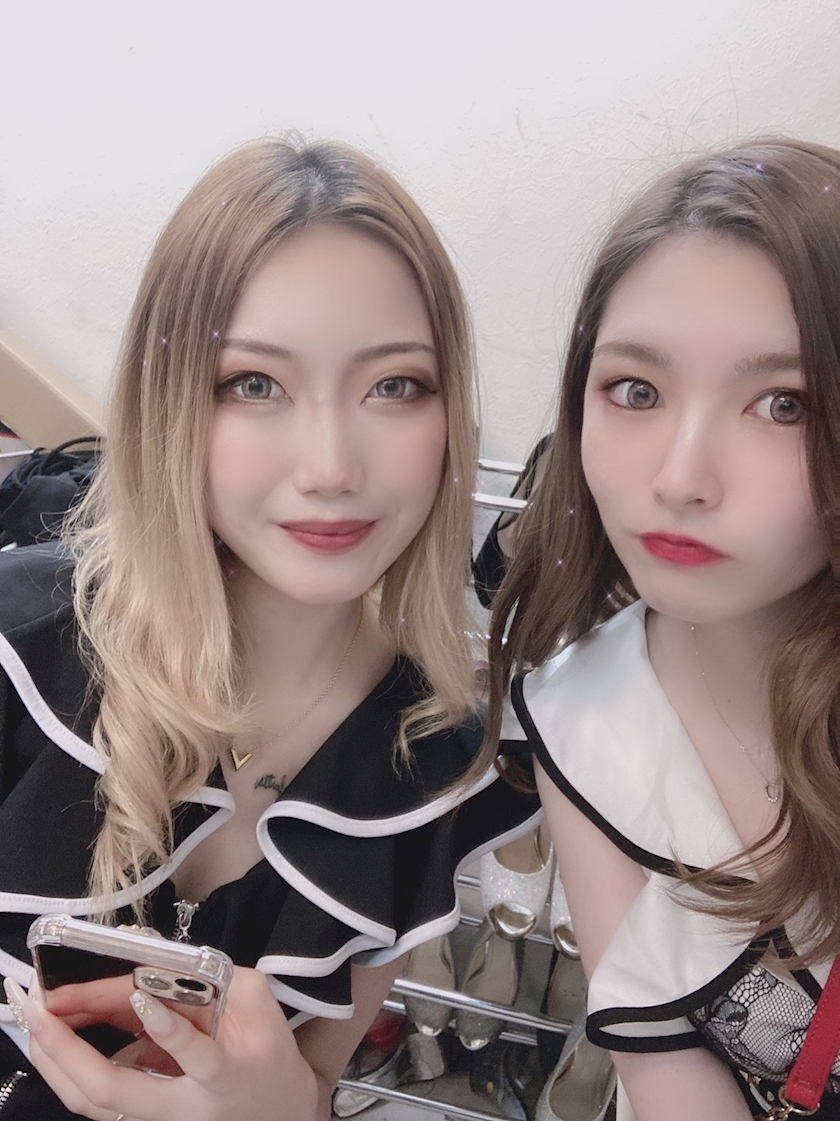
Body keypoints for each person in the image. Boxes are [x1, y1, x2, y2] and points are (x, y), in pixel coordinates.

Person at [0, 138, 540, 1120]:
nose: (330, 465)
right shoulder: (18, 648)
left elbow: (315, 1082)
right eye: (254, 383)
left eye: (394, 385)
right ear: (171, 403)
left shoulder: (439, 763)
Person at [479, 138, 839, 1119]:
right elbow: (666, 1065)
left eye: (783, 404)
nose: (681, 477)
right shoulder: (580, 713)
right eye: (636, 390)